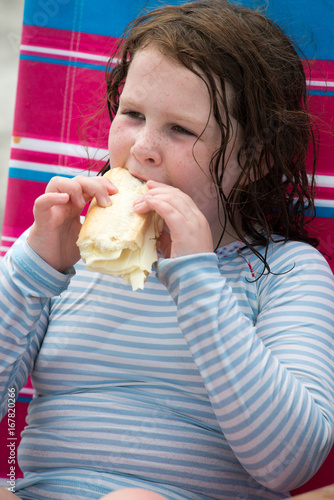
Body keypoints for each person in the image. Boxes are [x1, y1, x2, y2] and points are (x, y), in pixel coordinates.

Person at [0, 0, 333, 499]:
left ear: (258, 157)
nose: (142, 148)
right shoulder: (66, 253)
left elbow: (290, 463)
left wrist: (198, 281)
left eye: (181, 129)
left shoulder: (284, 274)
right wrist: (34, 270)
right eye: (132, 114)